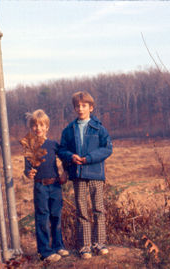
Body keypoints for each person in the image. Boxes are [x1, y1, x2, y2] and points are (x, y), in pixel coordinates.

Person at [58, 91, 113, 260]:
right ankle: (85, 246)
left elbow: (107, 148)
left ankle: (100, 243)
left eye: (84, 106)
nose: (80, 109)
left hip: (95, 173)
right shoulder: (68, 130)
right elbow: (61, 150)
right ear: (74, 108)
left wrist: (89, 159)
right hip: (78, 175)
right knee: (82, 210)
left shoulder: (99, 128)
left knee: (98, 209)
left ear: (91, 107)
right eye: (77, 106)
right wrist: (70, 157)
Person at [22, 109, 69, 263]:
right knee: (42, 218)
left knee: (56, 216)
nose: (38, 128)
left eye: (41, 125)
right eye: (35, 126)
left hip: (55, 185)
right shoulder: (29, 146)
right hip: (40, 187)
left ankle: (58, 246)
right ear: (31, 128)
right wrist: (28, 173)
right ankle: (45, 251)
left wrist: (65, 173)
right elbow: (27, 167)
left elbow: (64, 158)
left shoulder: (53, 144)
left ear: (47, 127)